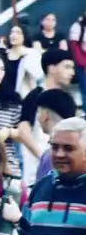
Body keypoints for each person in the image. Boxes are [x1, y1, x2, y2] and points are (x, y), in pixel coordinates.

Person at [19, 49, 78, 183]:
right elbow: (23, 131)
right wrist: (43, 156)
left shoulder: (68, 99)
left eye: (72, 68)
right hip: (36, 172)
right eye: (67, 67)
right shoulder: (35, 96)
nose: (72, 72)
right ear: (51, 68)